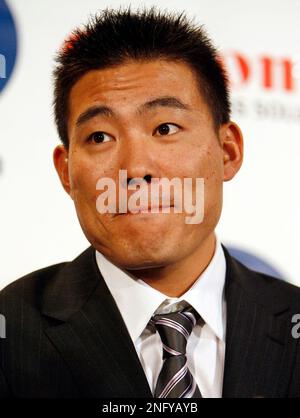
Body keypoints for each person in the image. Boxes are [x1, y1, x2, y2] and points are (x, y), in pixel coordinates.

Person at [0, 7, 299, 399]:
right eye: (100, 137)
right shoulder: (11, 334)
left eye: (165, 128)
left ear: (227, 151)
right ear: (66, 172)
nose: (135, 168)